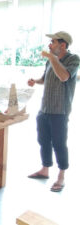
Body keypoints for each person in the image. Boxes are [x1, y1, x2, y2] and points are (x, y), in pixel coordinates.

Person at [27, 31, 80, 192]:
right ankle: (45, 169)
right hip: (44, 109)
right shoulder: (51, 61)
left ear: (62, 45)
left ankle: (61, 176)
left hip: (60, 111)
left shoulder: (73, 59)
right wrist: (35, 81)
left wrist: (53, 58)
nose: (49, 45)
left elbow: (64, 76)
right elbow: (45, 78)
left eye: (53, 42)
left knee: (59, 143)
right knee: (43, 140)